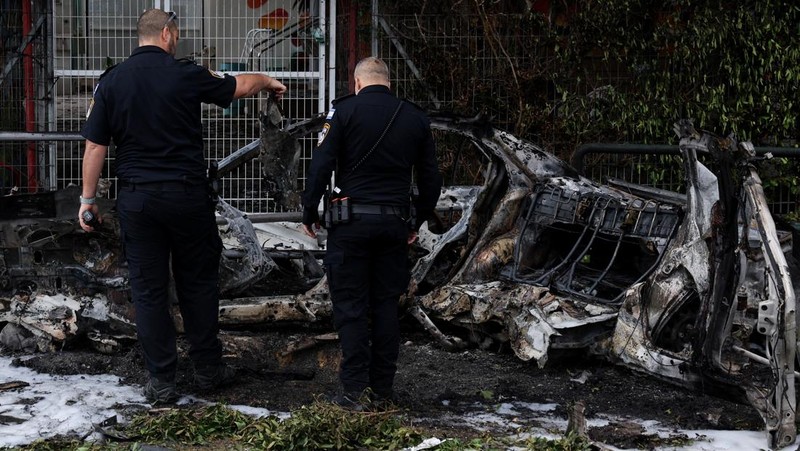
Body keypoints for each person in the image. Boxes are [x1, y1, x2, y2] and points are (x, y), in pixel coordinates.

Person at [79, 9, 287, 404]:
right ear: (168, 35)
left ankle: (162, 381)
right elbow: (237, 86)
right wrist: (266, 80)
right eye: (177, 34)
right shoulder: (186, 74)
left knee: (149, 290)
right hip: (186, 196)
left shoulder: (112, 82)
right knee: (198, 283)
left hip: (139, 200)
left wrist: (88, 201)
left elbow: (95, 146)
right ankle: (208, 369)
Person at [301, 56, 442, 408]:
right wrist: (416, 220)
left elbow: (320, 165)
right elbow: (431, 181)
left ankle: (352, 391)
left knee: (350, 307)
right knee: (384, 307)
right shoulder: (413, 117)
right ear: (388, 83)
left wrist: (309, 210)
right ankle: (382, 390)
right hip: (393, 226)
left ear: (357, 83)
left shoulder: (343, 113)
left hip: (350, 225)